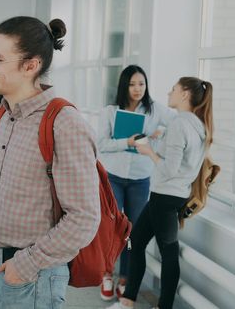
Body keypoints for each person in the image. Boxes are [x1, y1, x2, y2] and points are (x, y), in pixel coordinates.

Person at [0, 16, 101, 309]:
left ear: (30, 65)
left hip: (31, 279)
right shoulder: (4, 115)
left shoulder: (64, 124)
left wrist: (25, 266)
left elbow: (83, 217)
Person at [107, 77, 214, 309]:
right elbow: (180, 162)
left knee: (167, 252)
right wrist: (157, 141)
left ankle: (157, 305)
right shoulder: (199, 125)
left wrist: (147, 151)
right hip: (174, 195)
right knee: (135, 241)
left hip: (164, 197)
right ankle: (128, 300)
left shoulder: (179, 124)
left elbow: (168, 169)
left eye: (173, 89)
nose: (169, 92)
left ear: (185, 94)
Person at [97, 65, 176, 300]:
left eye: (141, 83)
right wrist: (127, 142)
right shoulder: (110, 111)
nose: (137, 88)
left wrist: (160, 137)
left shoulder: (155, 111)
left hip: (141, 180)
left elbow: (178, 124)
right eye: (132, 84)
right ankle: (106, 272)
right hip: (114, 176)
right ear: (124, 85)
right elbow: (101, 144)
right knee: (111, 228)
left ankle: (125, 277)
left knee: (133, 233)